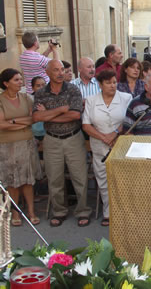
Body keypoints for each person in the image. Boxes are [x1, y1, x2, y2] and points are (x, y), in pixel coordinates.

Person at [32, 60, 92, 227]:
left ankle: (83, 211)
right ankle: (59, 212)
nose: (60, 73)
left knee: (80, 177)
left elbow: (74, 115)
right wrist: (60, 110)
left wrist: (48, 115)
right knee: (54, 178)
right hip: (51, 139)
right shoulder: (41, 93)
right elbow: (36, 117)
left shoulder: (72, 89)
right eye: (56, 70)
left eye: (62, 69)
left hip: (73, 137)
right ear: (48, 72)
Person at [82, 70, 132, 226]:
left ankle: (125, 211)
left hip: (121, 142)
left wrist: (115, 133)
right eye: (108, 83)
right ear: (100, 84)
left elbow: (129, 120)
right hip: (99, 144)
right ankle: (108, 212)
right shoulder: (91, 100)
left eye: (114, 82)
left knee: (122, 179)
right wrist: (104, 137)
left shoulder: (126, 98)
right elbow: (86, 125)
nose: (112, 85)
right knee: (103, 179)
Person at [0, 69, 42, 226]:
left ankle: (31, 211)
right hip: (6, 146)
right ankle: (15, 211)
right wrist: (20, 122)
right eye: (16, 80)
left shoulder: (26, 98)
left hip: (26, 143)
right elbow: (1, 124)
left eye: (20, 79)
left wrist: (12, 122)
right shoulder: (0, 100)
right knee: (12, 181)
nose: (21, 82)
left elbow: (34, 119)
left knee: (28, 180)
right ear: (6, 83)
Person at [30, 76, 47, 141]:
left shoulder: (51, 98)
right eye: (38, 86)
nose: (41, 88)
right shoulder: (30, 99)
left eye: (43, 85)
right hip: (34, 134)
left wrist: (45, 111)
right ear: (33, 88)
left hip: (49, 132)